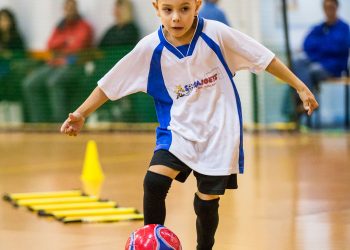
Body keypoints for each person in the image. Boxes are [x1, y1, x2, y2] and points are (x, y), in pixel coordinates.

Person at [61, 0, 318, 249]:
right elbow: (111, 83)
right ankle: (151, 243)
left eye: (184, 8)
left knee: (206, 203)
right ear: (156, 8)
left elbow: (264, 57)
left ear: (197, 4)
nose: (176, 17)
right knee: (154, 182)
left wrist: (300, 86)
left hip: (219, 133)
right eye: (168, 9)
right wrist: (82, 113)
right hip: (178, 131)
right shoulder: (149, 49)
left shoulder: (216, 34)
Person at [22, 0, 93, 123]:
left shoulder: (84, 26)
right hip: (54, 65)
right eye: (67, 7)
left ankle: (60, 123)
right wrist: (66, 40)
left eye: (72, 7)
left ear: (76, 8)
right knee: (30, 83)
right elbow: (50, 45)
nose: (69, 10)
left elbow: (77, 46)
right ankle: (40, 124)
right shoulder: (60, 26)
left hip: (75, 66)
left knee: (53, 82)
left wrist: (62, 47)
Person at [288, 0, 350, 126]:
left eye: (331, 7)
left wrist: (320, 47)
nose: (329, 10)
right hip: (315, 62)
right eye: (326, 7)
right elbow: (307, 44)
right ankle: (304, 101)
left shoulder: (344, 28)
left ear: (336, 8)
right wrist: (325, 47)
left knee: (312, 70)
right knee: (296, 62)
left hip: (333, 67)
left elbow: (340, 48)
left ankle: (305, 103)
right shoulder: (319, 28)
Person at [0, 8, 25, 102]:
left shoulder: (16, 37)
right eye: (1, 20)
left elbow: (21, 55)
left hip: (11, 68)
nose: (3, 23)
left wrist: (9, 55)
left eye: (5, 20)